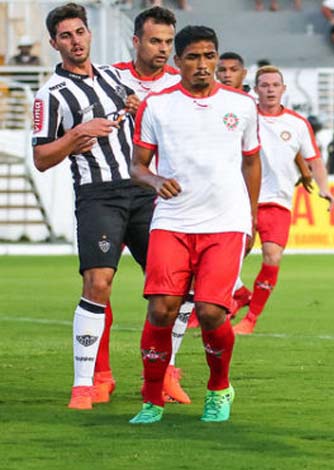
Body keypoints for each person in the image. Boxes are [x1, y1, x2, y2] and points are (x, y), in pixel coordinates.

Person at [128, 25, 261, 424]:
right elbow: (137, 165)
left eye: (209, 56)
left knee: (210, 312)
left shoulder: (242, 105)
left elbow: (252, 162)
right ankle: (152, 400)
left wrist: (251, 217)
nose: (202, 65)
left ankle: (219, 389)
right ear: (177, 61)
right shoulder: (157, 106)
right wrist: (153, 180)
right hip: (172, 220)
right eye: (192, 57)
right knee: (161, 310)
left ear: (217, 58)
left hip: (226, 222)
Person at [31, 3, 152, 410]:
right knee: (98, 284)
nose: (75, 41)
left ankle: (161, 376)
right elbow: (42, 158)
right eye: (66, 36)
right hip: (99, 195)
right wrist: (76, 135)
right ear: (54, 43)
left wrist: (139, 108)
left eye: (80, 32)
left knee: (171, 285)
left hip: (141, 189)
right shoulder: (50, 95)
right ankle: (85, 383)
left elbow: (142, 113)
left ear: (89, 34)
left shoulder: (116, 77)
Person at [112, 4, 194, 406]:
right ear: (136, 41)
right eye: (154, 41)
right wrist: (114, 109)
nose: (162, 49)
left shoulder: (180, 84)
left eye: (167, 42)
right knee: (98, 283)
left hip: (161, 197)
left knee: (177, 290)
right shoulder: (110, 79)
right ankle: (98, 374)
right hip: (110, 191)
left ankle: (168, 372)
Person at [233, 65, 334, 335]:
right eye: (264, 85)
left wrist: (324, 188)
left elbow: (315, 160)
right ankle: (235, 294)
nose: (270, 89)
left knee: (273, 256)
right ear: (256, 90)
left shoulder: (298, 124)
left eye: (274, 85)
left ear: (283, 89)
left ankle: (250, 320)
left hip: (278, 200)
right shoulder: (246, 115)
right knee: (231, 256)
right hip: (242, 198)